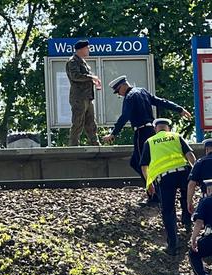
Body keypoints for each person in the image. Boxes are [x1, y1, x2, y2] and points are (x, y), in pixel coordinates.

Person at [103, 75, 192, 204]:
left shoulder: (129, 97)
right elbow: (160, 101)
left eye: (118, 91)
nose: (119, 94)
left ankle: (154, 195)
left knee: (143, 163)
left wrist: (113, 134)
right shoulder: (142, 91)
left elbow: (124, 117)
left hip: (141, 132)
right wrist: (179, 109)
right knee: (135, 162)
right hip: (151, 130)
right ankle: (155, 190)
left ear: (123, 86)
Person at [140, 118, 196, 255]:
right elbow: (190, 155)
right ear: (168, 128)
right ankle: (187, 221)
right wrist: (195, 173)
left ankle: (173, 244)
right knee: (185, 196)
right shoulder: (177, 136)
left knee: (168, 210)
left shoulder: (150, 142)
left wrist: (149, 183)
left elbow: (144, 166)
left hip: (165, 178)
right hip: (184, 172)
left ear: (155, 129)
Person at [65, 40, 101, 146]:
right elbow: (75, 76)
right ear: (80, 49)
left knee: (91, 121)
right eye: (87, 48)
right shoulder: (72, 62)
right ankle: (74, 144)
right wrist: (91, 77)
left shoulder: (82, 62)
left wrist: (93, 81)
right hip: (79, 97)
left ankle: (94, 142)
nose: (88, 50)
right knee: (78, 121)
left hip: (87, 96)